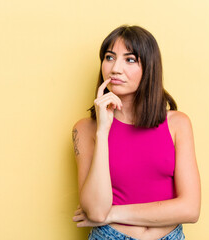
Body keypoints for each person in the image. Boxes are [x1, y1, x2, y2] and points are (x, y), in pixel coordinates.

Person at [71, 25, 201, 240]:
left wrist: (113, 213)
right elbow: (95, 211)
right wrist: (103, 131)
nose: (115, 68)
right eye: (109, 57)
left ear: (149, 67)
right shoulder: (86, 129)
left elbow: (190, 209)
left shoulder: (177, 123)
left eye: (129, 59)